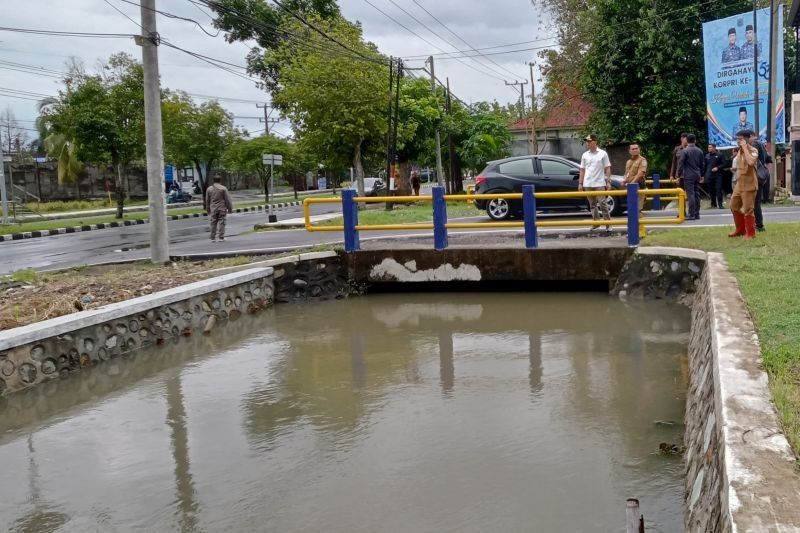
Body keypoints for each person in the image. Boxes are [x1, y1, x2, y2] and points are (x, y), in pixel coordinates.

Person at [728, 130, 759, 240]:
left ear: (746, 139)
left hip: (749, 184)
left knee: (748, 209)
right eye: (737, 139)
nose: (738, 141)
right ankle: (740, 229)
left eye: (740, 139)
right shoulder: (739, 151)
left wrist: (745, 148)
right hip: (739, 184)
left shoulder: (753, 150)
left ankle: (750, 233)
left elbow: (751, 162)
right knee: (733, 206)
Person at [578, 134, 612, 231]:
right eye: (587, 141)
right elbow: (582, 169)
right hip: (588, 183)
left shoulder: (603, 153)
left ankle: (608, 224)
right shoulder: (585, 155)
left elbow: (607, 167)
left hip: (599, 183)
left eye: (589, 141)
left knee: (602, 203)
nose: (587, 143)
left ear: (595, 142)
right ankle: (596, 222)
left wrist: (608, 181)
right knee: (592, 204)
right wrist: (580, 183)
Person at [748, 130, 770, 232]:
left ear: (752, 136)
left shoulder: (755, 144)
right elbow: (768, 159)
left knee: (755, 202)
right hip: (761, 175)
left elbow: (752, 160)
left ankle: (759, 225)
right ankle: (758, 225)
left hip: (756, 176)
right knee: (755, 202)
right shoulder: (760, 144)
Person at [680, 133, 705, 220]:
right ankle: (697, 213)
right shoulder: (700, 151)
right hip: (697, 174)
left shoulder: (685, 151)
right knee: (696, 194)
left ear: (687, 140)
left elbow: (681, 164)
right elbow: (702, 164)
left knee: (690, 194)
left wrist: (678, 175)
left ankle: (691, 214)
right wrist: (702, 175)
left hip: (688, 175)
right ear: (695, 140)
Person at [205, 174, 233, 242]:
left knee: (213, 222)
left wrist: (208, 209)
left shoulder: (209, 189)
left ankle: (212, 238)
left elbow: (207, 200)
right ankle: (221, 237)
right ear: (220, 181)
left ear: (213, 181)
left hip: (213, 208)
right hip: (222, 208)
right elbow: (227, 199)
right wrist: (230, 208)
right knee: (222, 222)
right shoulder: (223, 188)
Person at [623, 143, 648, 212]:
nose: (635, 150)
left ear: (639, 149)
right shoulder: (628, 162)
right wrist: (624, 180)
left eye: (636, 148)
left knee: (637, 209)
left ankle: (640, 221)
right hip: (630, 187)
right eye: (633, 149)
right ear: (629, 151)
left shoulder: (642, 160)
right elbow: (626, 173)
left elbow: (641, 174)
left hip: (639, 186)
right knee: (631, 209)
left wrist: (631, 184)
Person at [705, 143, 726, 208]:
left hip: (718, 175)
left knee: (718, 189)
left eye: (710, 147)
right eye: (708, 147)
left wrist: (717, 167)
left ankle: (720, 204)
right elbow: (705, 165)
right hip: (709, 175)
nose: (709, 149)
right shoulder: (707, 156)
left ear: (714, 148)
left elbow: (724, 163)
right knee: (711, 190)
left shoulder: (720, 155)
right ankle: (713, 204)